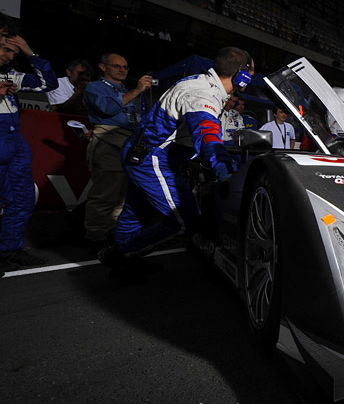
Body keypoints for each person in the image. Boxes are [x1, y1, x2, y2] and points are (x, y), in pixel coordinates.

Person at [99, 47, 251, 276]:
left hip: (143, 153)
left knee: (134, 212)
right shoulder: (202, 95)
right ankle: (120, 255)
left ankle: (124, 263)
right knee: (185, 221)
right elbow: (208, 136)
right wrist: (228, 173)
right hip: (153, 159)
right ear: (242, 75)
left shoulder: (201, 83)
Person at [0, 21, 57, 271]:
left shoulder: (10, 72)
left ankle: (8, 250)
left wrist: (28, 51)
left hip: (14, 143)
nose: (9, 55)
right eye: (4, 47)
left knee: (21, 200)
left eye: (14, 50)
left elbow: (48, 84)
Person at [82, 53, 152, 250]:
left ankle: (114, 233)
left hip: (128, 143)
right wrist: (137, 90)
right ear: (103, 67)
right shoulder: (95, 87)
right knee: (105, 193)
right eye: (117, 66)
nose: (122, 70)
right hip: (108, 140)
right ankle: (95, 235)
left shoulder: (123, 90)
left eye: (125, 67)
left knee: (122, 194)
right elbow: (107, 108)